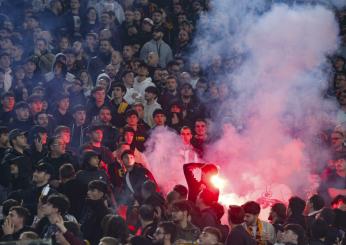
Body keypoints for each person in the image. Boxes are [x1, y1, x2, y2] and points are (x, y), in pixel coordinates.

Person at [80, 180, 111, 245]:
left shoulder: (105, 212)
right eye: (88, 190)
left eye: (92, 190)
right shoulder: (86, 203)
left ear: (101, 194)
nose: (88, 192)